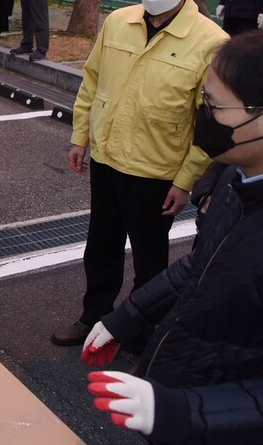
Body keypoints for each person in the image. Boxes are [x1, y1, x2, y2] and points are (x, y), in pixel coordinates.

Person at [82, 30, 263, 444]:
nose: (199, 117)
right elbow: (205, 265)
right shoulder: (237, 179)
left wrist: (186, 412)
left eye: (213, 106)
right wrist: (127, 317)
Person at [50, 0, 229, 349]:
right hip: (108, 158)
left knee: (150, 259)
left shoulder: (210, 42)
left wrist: (185, 181)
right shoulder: (119, 21)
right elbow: (92, 81)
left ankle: (139, 332)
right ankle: (93, 317)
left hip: (157, 170)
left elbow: (209, 122)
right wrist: (81, 136)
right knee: (101, 247)